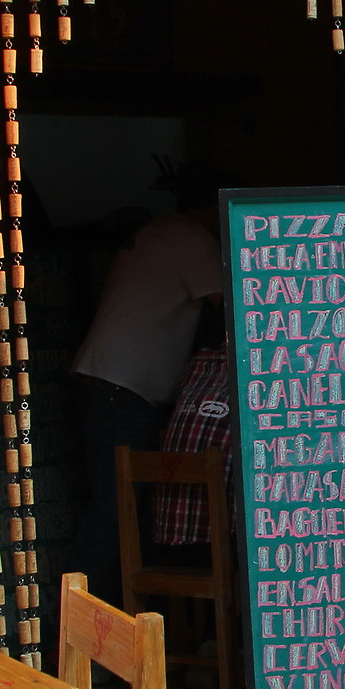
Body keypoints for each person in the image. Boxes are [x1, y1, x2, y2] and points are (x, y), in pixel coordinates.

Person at [70, 161, 231, 605]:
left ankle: (103, 638)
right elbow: (236, 311)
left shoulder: (162, 234)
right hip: (121, 390)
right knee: (114, 511)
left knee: (119, 510)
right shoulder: (190, 240)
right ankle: (70, 636)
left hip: (109, 384)